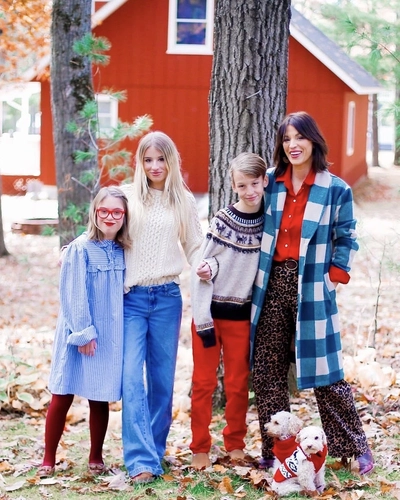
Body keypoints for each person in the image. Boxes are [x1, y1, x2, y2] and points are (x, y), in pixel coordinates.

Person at [251, 111, 374, 475]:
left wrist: (334, 276)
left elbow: (347, 235)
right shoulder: (270, 181)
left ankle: (353, 447)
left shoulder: (335, 188)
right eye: (286, 139)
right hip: (272, 283)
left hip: (313, 285)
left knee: (326, 370)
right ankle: (277, 449)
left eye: (299, 138)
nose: (292, 145)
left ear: (313, 141)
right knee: (267, 370)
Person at [121, 131, 204, 484]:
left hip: (167, 298)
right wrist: (73, 247)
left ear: (172, 161)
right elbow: (100, 226)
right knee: (130, 379)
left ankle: (154, 453)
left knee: (160, 381)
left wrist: (206, 266)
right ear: (140, 163)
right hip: (131, 300)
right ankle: (139, 460)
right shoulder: (125, 196)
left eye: (161, 159)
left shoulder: (183, 201)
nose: (155, 166)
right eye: (148, 159)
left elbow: (196, 244)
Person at [38, 186, 131, 478]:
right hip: (79, 330)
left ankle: (95, 457)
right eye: (104, 211)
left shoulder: (123, 250)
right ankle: (48, 458)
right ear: (95, 212)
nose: (110, 217)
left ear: (125, 216)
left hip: (108, 332)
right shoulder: (80, 248)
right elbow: (74, 292)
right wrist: (83, 332)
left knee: (99, 395)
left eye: (117, 212)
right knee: (62, 393)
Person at [190, 152, 268, 469]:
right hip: (210, 316)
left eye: (254, 184)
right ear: (233, 186)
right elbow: (204, 265)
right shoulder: (223, 220)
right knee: (204, 383)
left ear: (265, 181)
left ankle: (235, 443)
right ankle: (199, 447)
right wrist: (209, 268)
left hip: (242, 319)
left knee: (237, 384)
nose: (249, 191)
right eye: (241, 185)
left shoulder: (269, 224)